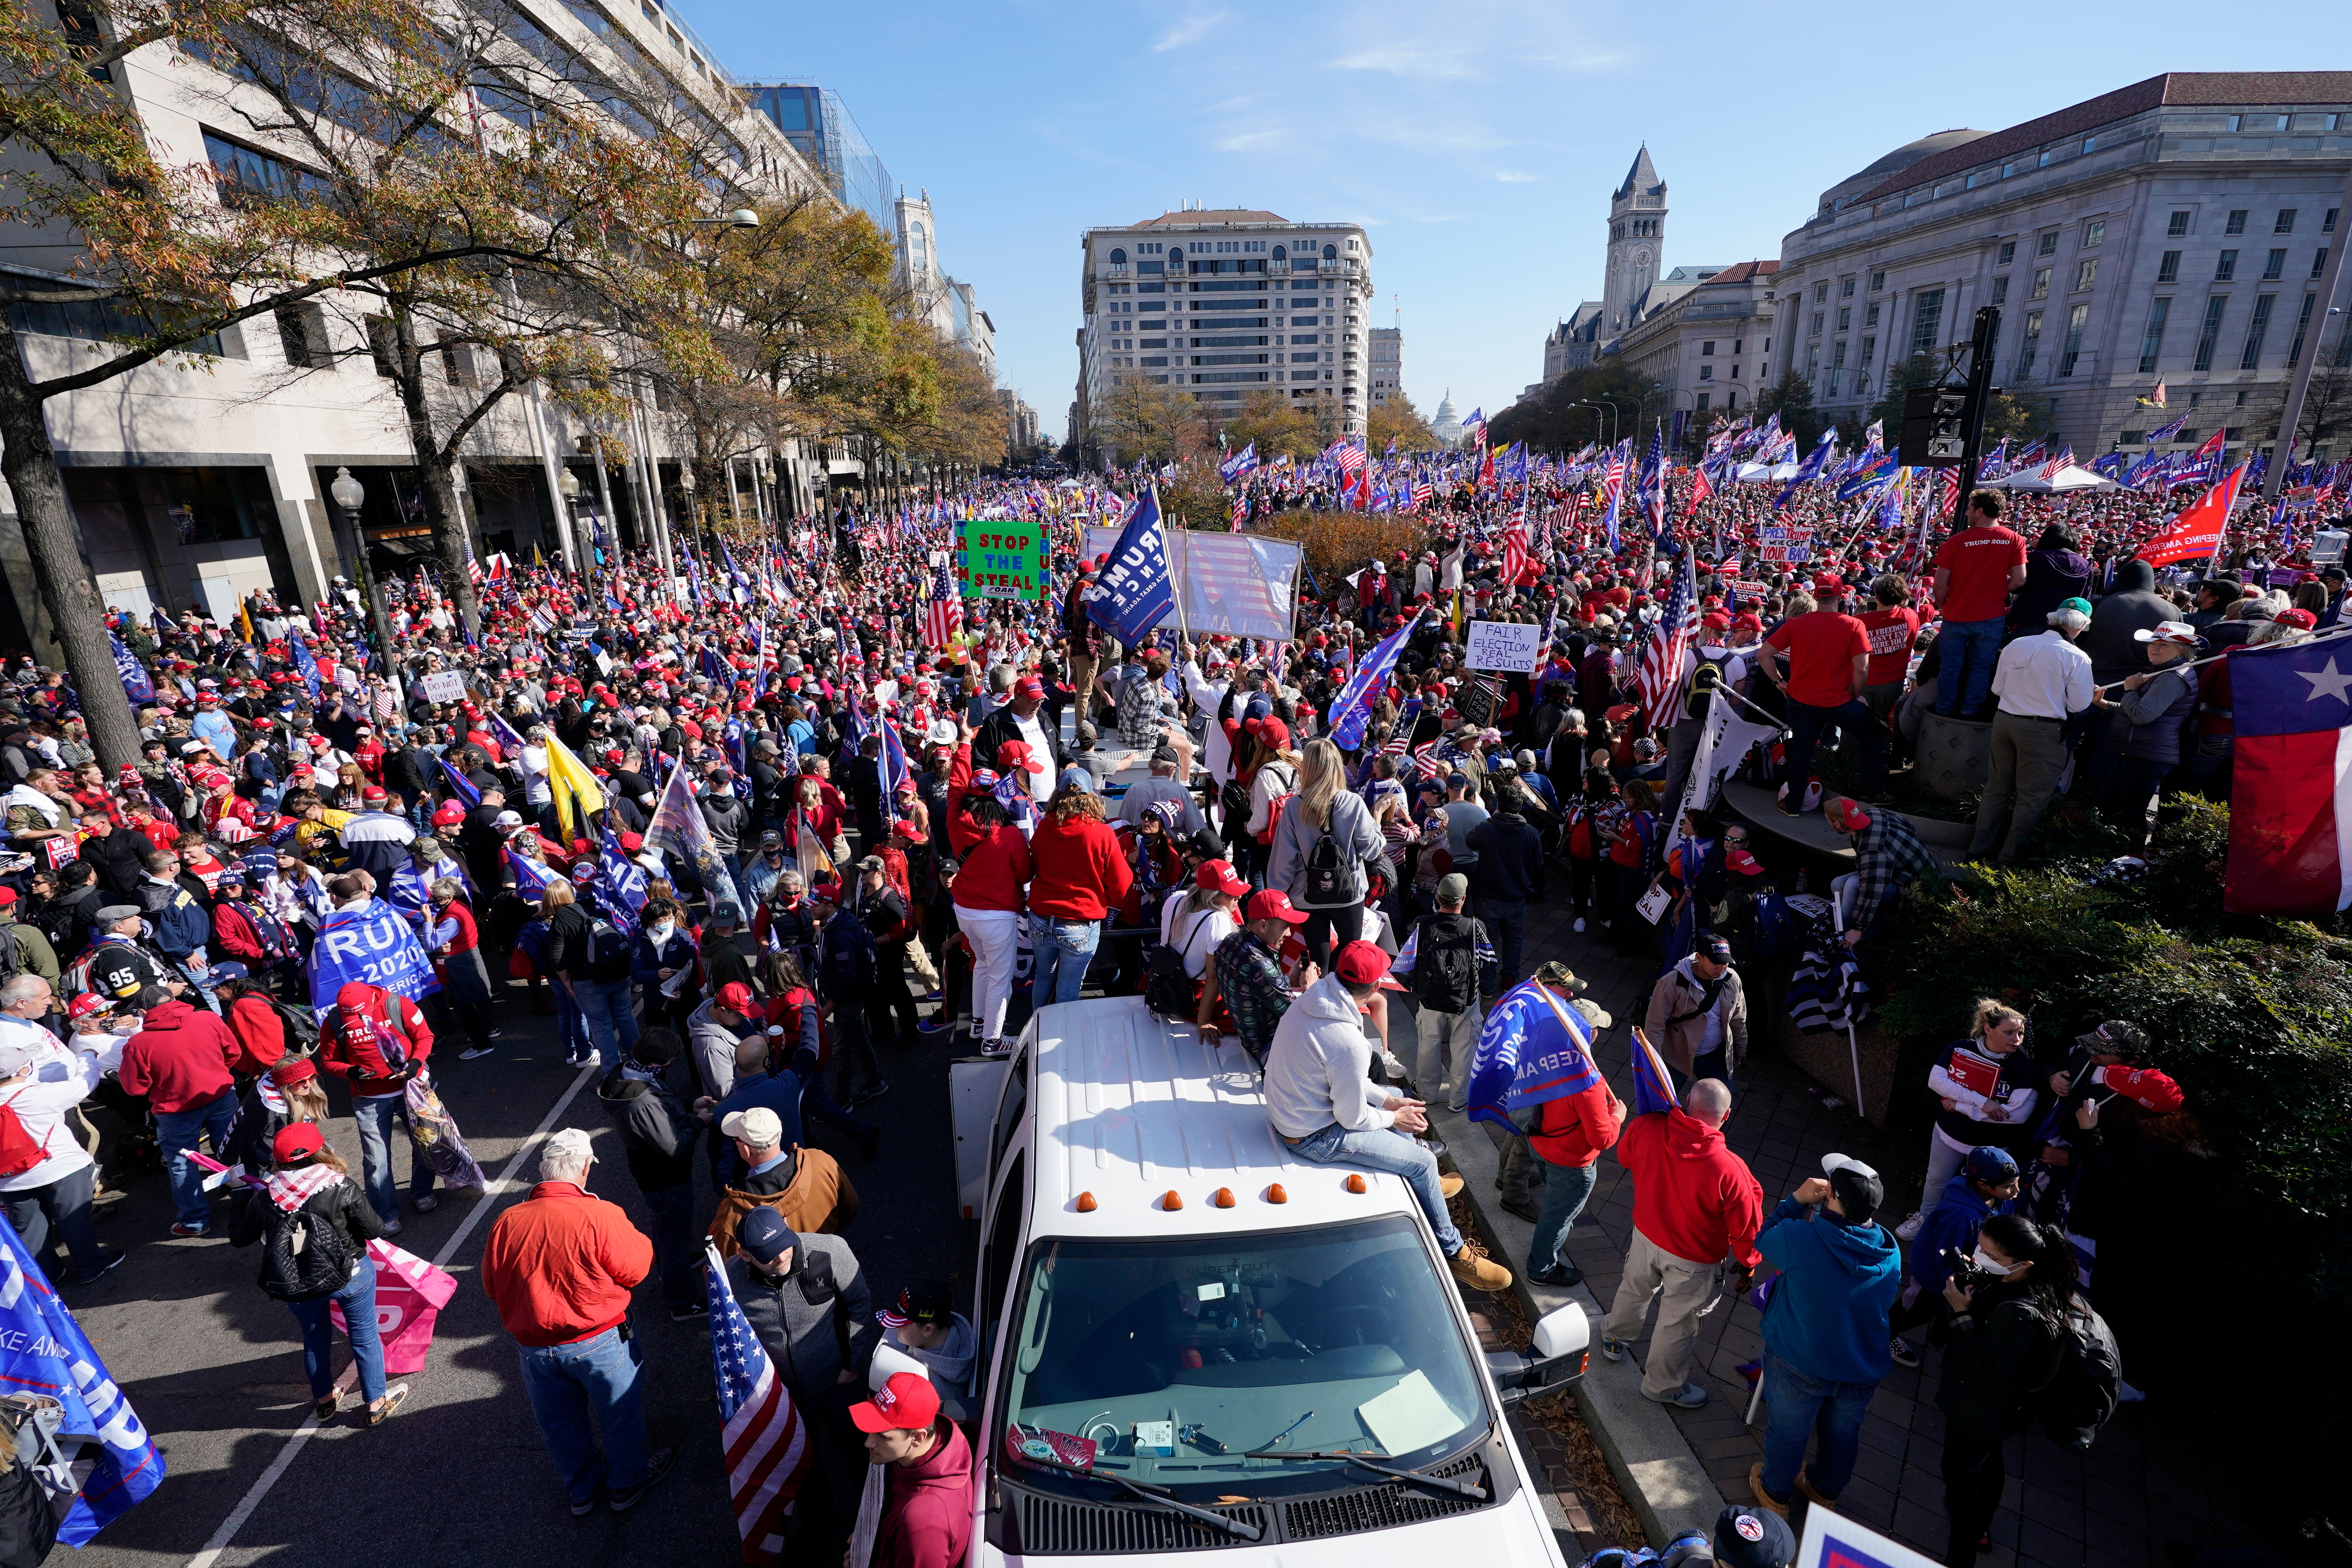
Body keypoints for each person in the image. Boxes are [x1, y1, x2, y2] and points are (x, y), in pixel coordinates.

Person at [1261, 940, 1510, 1291]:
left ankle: (1427, 1185)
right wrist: (1395, 1120)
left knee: (1394, 1094)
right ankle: (1454, 1254)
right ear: (1376, 988)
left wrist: (1390, 1105)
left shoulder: (1314, 998)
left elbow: (1345, 1081)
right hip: (1312, 1136)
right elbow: (1351, 1119)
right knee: (1422, 1162)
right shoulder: (1348, 1042)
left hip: (1295, 1113)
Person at [478, 1126, 675, 1517]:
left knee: (561, 1425)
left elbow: (492, 1286)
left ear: (543, 1169)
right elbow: (637, 1269)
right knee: (619, 1414)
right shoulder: (600, 1214)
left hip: (535, 1349)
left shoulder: (507, 1221)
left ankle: (582, 1491)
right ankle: (627, 1484)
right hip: (600, 1340)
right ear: (585, 1168)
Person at [227, 1122, 409, 1427]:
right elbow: (375, 1229)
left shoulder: (266, 1196)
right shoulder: (340, 1185)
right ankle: (376, 1404)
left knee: (315, 1340)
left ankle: (325, 1402)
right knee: (365, 1337)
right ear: (321, 1152)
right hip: (351, 1274)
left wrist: (238, 1194)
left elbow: (239, 1238)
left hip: (297, 1281)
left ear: (279, 1160)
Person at [1749, 1153, 1900, 1519]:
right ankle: (1823, 1491)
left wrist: (1798, 1201)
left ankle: (1775, 1495)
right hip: (1860, 1368)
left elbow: (1764, 1238)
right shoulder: (1889, 1248)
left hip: (1799, 1362)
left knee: (1788, 1434)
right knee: (1841, 1436)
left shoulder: (1800, 1237)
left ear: (1831, 1196)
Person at [1600, 1078, 1763, 1408]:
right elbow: (1747, 1229)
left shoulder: (1647, 1125)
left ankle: (1614, 1338)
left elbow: (1626, 1157)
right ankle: (1661, 1387)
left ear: (1688, 1100)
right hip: (1694, 1260)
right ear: (1727, 1115)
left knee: (1634, 1289)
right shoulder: (1731, 1171)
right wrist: (1748, 1264)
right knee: (1678, 1322)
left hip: (1646, 1236)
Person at [727, 1206, 876, 1559]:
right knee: (801, 1464)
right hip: (784, 1397)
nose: (782, 1254)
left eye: (784, 1243)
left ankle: (870, 1518)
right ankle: (820, 1520)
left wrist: (853, 1366)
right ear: (745, 1255)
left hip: (840, 1384)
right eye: (767, 1254)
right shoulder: (730, 1279)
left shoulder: (831, 1250)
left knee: (862, 1454)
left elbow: (860, 1304)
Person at [1932, 1214, 2077, 1565]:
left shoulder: (2019, 1313)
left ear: (2024, 1264)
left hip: (1983, 1409)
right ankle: (1980, 1526)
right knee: (1987, 1461)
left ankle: (1962, 1552)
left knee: (1960, 1473)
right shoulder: (2041, 1285)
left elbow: (1990, 1369)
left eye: (1992, 1257)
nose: (1979, 1258)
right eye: (1980, 1249)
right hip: (2007, 1411)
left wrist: (1961, 1314)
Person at [0, 999, 124, 1285]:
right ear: (20, 1071)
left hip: (11, 1179)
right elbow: (85, 1085)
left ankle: (47, 1277)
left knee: (30, 1230)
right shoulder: (39, 1094)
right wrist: (88, 1059)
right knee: (74, 1220)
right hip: (59, 1168)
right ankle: (91, 1266)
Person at [1893, 1000, 2039, 1240]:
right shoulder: (1961, 1048)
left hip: (1992, 1147)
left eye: (2021, 1033)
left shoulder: (2024, 1068)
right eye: (2009, 1032)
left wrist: (1962, 1105)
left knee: (1983, 1193)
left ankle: (1973, 1235)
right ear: (1988, 1029)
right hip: (1948, 1134)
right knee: (1936, 1180)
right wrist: (1983, 1103)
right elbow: (1937, 1081)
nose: (2017, 1039)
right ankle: (1926, 1218)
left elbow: (2017, 1115)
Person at [1965, 599, 2095, 864]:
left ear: (2054, 618)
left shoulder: (2017, 644)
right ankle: (2008, 860)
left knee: (1997, 789)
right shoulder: (2077, 657)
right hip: (2041, 730)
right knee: (2032, 796)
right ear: (2082, 626)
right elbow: (2079, 705)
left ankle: (1978, 850)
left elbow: (1997, 689)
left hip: (2005, 721)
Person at [1518, 964, 1624, 1286]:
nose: (1598, 1033)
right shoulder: (1586, 1080)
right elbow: (1602, 1138)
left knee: (1554, 1200)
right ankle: (1542, 1269)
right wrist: (1618, 1115)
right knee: (1557, 1216)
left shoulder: (1542, 1052)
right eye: (1595, 1028)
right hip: (1571, 1161)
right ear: (1585, 1031)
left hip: (1541, 1146)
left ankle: (1544, 1252)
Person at [594, 1027, 707, 1322]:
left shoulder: (624, 1072)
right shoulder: (642, 1101)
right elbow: (673, 1145)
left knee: (664, 1229)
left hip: (650, 1174)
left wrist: (686, 1106)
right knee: (674, 1237)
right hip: (666, 1177)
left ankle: (670, 1269)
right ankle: (683, 1302)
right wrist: (698, 1122)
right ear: (660, 1063)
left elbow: (660, 1114)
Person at [117, 982, 241, 1238]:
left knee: (183, 1164)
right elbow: (233, 1053)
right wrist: (213, 1071)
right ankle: (248, 1200)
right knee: (234, 1149)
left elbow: (134, 1089)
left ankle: (195, 1222)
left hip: (175, 1109)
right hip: (220, 1095)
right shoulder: (208, 1018)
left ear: (142, 1012)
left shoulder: (139, 1044)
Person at [317, 979, 435, 1234]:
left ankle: (423, 1192)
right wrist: (351, 1071)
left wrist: (415, 1063)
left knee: (424, 1144)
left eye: (362, 1016)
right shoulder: (334, 1022)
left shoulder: (398, 1005)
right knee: (376, 1160)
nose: (359, 1021)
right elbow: (328, 1061)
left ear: (371, 1000)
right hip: (369, 1099)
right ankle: (386, 1214)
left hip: (410, 1091)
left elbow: (424, 1036)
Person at [1888, 1145, 2018, 1368]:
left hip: (1958, 1275)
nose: (2016, 1190)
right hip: (1934, 1278)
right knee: (1915, 1310)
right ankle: (1884, 1336)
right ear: (1983, 1186)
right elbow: (1947, 1254)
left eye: (2016, 1182)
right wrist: (1956, 1288)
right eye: (2008, 1186)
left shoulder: (2001, 1199)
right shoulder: (1960, 1215)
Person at [1757, 589, 1884, 812]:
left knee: (1801, 751)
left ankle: (1793, 805)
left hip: (1801, 702)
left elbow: (1763, 655)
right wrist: (1856, 696)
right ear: (1839, 598)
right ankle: (1872, 792)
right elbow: (1862, 669)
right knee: (1874, 737)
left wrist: (1780, 683)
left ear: (1816, 598)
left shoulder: (1796, 623)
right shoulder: (1853, 625)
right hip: (1838, 703)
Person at [1269, 738, 1388, 969]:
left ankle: (1319, 1000)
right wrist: (1378, 821)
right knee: (1350, 959)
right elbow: (1373, 851)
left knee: (1318, 963)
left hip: (1307, 896)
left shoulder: (1294, 807)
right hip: (1348, 894)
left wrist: (1278, 901)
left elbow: (1283, 862)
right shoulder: (1353, 803)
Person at [850, 1371, 975, 1568]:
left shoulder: (924, 1525)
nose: (868, 1443)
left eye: (884, 1436)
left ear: (918, 1438)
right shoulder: (937, 1441)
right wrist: (871, 1544)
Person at [1024, 783, 1129, 1009]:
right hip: (1079, 924)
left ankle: (1039, 1030)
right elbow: (1121, 886)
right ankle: (1059, 1042)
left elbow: (1032, 866)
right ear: (1091, 797)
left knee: (1043, 976)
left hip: (1041, 919)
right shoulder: (1102, 833)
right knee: (1069, 991)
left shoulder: (1045, 827)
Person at [706, 1105, 859, 1253]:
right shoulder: (821, 1161)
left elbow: (725, 1269)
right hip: (827, 1260)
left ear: (746, 1150)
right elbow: (850, 1208)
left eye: (736, 1141)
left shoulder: (731, 1216)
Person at [1930, 490, 2028, 718]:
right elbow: (2020, 580)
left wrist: (1943, 606)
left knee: (1950, 668)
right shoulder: (2014, 539)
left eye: (1969, 508)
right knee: (1981, 669)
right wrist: (1997, 589)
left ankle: (1944, 711)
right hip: (1991, 616)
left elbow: (1940, 583)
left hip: (1957, 615)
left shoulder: (1956, 541)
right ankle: (1970, 712)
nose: (1966, 512)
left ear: (1980, 511)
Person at [1196, 887, 1312, 1069]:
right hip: (1273, 1048)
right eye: (1286, 927)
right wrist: (1310, 987)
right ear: (1264, 925)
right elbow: (1304, 1018)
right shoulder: (1261, 966)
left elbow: (1257, 988)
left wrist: (1289, 979)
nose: (1289, 934)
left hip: (1252, 1040)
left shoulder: (1231, 940)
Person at [1404, 874, 1493, 1111]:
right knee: (1464, 1048)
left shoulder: (1422, 923)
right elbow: (1484, 962)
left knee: (1428, 1044)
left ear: (1438, 897)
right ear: (1463, 899)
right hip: (1465, 1000)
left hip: (1430, 998)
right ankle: (1459, 1099)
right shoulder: (1475, 927)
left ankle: (1426, 1093)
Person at [1821, 797, 1935, 955]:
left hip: (1914, 886)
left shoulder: (1873, 850)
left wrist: (1858, 929)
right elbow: (1909, 825)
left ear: (1838, 824)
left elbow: (1872, 890)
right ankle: (1843, 921)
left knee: (1853, 885)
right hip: (1893, 869)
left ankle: (1845, 937)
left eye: (1828, 820)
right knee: (1837, 884)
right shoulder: (1874, 813)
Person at [1642, 932, 1747, 1090]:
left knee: (1721, 1106)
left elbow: (1739, 1017)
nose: (1722, 968)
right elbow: (1655, 1026)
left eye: (1726, 963)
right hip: (1677, 1057)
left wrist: (1741, 1047)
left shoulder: (1732, 979)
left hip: (1716, 1056)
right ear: (1699, 957)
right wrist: (1655, 1063)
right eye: (1716, 963)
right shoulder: (1671, 983)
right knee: (1662, 1104)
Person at [1466, 783, 1543, 985]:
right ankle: (1510, 978)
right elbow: (1538, 865)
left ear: (1498, 805)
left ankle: (1486, 984)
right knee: (1514, 941)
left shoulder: (1487, 829)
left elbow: (1471, 841)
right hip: (1517, 899)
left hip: (1488, 899)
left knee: (1487, 943)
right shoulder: (1531, 833)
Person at [875, 1280, 977, 1408]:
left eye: (903, 1324)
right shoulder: (957, 1336)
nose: (896, 1327)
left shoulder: (931, 1386)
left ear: (928, 1330)